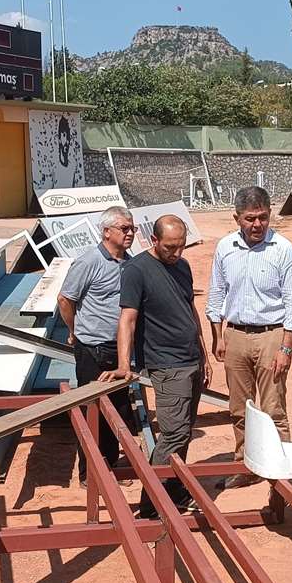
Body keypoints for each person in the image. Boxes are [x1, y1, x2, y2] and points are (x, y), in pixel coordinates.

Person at [100, 215, 212, 520]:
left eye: (181, 246)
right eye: (169, 247)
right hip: (166, 364)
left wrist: (202, 354)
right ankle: (151, 505)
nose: (176, 253)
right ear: (153, 240)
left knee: (184, 432)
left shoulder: (183, 267)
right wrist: (125, 365)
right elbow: (128, 319)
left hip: (190, 359)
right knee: (173, 434)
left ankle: (174, 492)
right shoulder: (137, 270)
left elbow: (189, 309)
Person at [206, 186, 292, 479]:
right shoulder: (225, 248)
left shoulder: (284, 251)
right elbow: (216, 293)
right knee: (240, 408)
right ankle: (245, 465)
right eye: (250, 219)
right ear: (237, 218)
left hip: (272, 336)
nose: (257, 225)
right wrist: (218, 335)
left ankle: (278, 471)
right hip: (235, 335)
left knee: (274, 407)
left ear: (270, 214)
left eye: (263, 217)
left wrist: (286, 349)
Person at [57, 206, 137, 482]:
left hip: (120, 348)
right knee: (92, 409)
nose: (130, 233)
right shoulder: (89, 262)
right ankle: (89, 473)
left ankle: (111, 466)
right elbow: (65, 300)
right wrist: (75, 331)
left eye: (132, 228)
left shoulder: (130, 262)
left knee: (117, 408)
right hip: (92, 347)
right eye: (124, 229)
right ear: (106, 232)